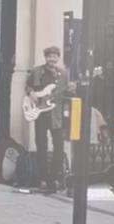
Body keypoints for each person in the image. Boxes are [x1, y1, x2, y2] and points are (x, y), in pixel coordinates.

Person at [25, 46, 75, 193]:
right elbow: (27, 86)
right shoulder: (37, 71)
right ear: (45, 57)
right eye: (49, 56)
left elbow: (67, 93)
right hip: (40, 114)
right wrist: (32, 93)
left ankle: (53, 177)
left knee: (59, 147)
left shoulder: (63, 74)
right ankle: (43, 178)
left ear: (58, 58)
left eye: (55, 56)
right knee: (41, 146)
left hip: (56, 115)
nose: (52, 59)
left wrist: (72, 90)